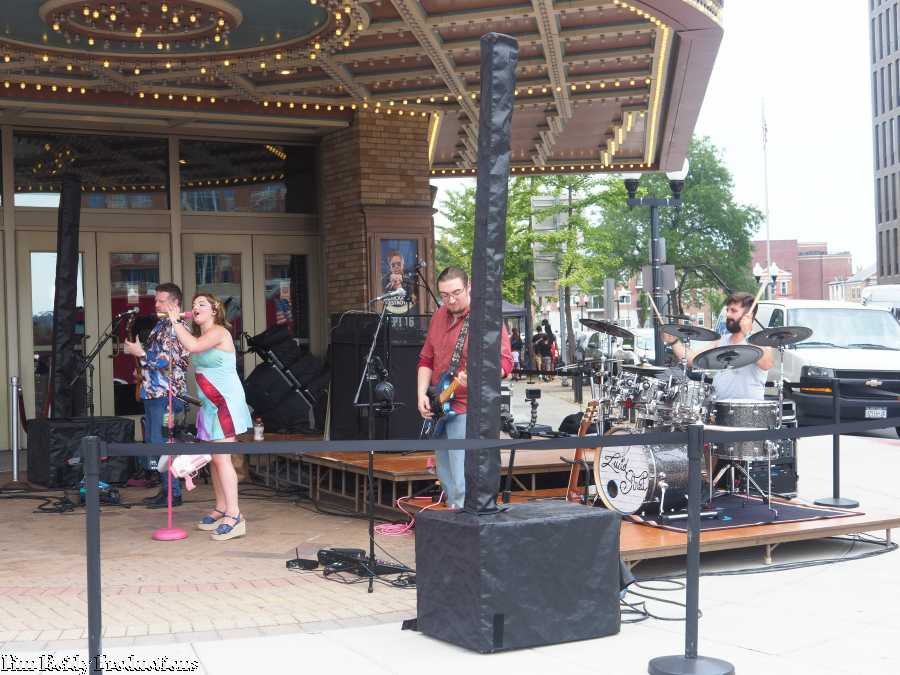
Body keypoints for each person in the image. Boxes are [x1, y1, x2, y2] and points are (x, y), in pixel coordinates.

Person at [416, 266, 513, 510]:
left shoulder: (485, 318)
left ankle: (465, 521)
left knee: (462, 477)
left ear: (469, 287)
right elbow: (426, 359)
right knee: (446, 475)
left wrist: (479, 377)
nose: (450, 300)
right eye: (444, 295)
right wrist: (421, 394)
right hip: (441, 403)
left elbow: (505, 363)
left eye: (456, 293)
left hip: (468, 408)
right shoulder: (439, 316)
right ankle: (454, 516)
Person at [164, 292, 253, 541]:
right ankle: (222, 507)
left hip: (225, 403)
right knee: (215, 460)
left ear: (215, 310)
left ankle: (235, 515)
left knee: (223, 459)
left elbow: (192, 346)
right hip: (210, 405)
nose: (196, 307)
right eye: (194, 304)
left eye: (202, 304)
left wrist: (175, 322)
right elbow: (186, 348)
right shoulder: (199, 335)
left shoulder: (220, 332)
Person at [123, 283, 190, 509]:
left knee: (162, 443)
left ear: (175, 303)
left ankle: (173, 493)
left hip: (166, 395)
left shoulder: (177, 328)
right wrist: (142, 369)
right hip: (154, 392)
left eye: (161, 301)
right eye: (156, 300)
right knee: (155, 442)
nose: (156, 304)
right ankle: (168, 490)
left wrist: (140, 353)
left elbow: (166, 362)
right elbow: (155, 359)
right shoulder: (161, 325)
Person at [664, 291, 774, 401]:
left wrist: (748, 334)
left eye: (733, 311)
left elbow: (766, 364)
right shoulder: (721, 341)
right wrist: (674, 342)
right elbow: (693, 360)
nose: (728, 315)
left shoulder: (760, 341)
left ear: (749, 316)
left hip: (748, 409)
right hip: (719, 406)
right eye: (727, 310)